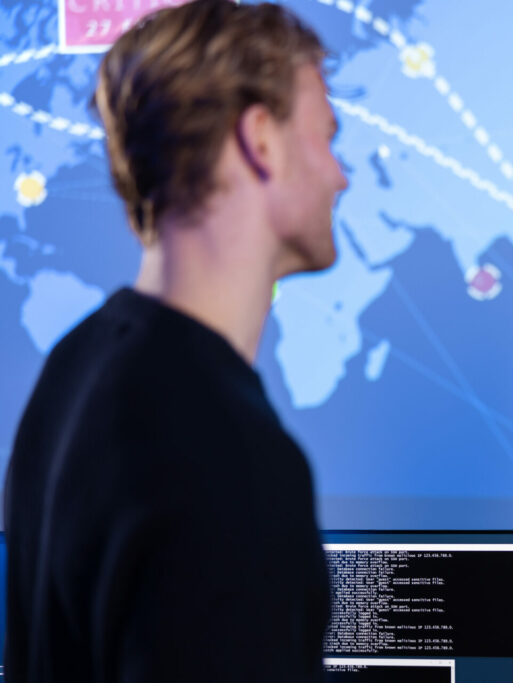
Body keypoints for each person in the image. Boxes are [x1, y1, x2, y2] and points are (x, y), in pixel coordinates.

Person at [3, 0, 348, 679]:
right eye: (326, 137)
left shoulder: (76, 369)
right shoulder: (225, 454)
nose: (340, 174)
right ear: (261, 141)